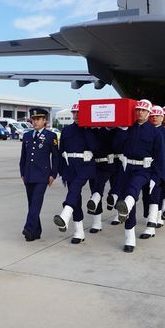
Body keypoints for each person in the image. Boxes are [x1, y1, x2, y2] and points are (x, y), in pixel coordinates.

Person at [114, 99, 165, 253]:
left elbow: (160, 157)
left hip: (144, 169)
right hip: (127, 166)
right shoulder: (128, 129)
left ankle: (126, 207)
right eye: (138, 110)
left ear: (149, 113)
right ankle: (130, 238)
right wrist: (121, 130)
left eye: (143, 111)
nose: (140, 113)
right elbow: (116, 147)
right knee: (127, 199)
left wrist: (155, 178)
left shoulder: (156, 132)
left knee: (133, 188)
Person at [53, 103, 98, 244]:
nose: (76, 115)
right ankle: (78, 231)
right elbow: (61, 151)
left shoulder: (91, 129)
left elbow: (96, 148)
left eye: (79, 113)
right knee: (76, 197)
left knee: (75, 188)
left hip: (86, 165)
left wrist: (87, 129)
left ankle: (65, 214)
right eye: (74, 113)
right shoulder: (66, 130)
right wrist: (61, 170)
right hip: (70, 166)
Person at [19, 108, 59, 242]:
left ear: (44, 121)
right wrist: (22, 172)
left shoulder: (50, 136)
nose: (35, 122)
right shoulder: (27, 136)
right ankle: (36, 232)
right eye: (33, 119)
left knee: (36, 203)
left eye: (38, 119)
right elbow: (23, 157)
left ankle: (28, 228)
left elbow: (56, 157)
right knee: (32, 204)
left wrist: (53, 174)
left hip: (42, 175)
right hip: (28, 175)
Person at [139, 106, 165, 239]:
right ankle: (150, 218)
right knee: (146, 196)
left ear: (162, 117)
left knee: (155, 196)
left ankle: (151, 226)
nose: (154, 117)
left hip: (160, 169)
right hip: (144, 168)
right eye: (152, 115)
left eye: (157, 115)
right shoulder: (144, 131)